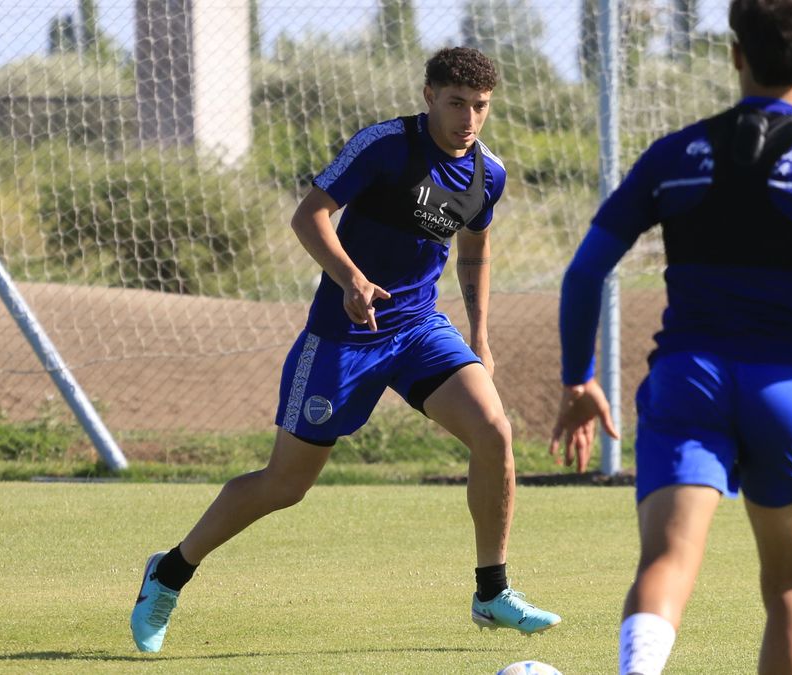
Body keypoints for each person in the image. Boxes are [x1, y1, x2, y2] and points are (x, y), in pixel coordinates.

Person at [130, 46, 560, 653]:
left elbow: (475, 249)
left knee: (494, 432)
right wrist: (352, 280)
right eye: (456, 103)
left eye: (481, 107)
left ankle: (492, 592)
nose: (469, 119)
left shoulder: (489, 173)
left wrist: (481, 337)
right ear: (429, 97)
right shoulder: (385, 146)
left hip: (418, 328)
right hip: (343, 334)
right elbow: (311, 216)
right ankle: (169, 571)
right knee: (285, 485)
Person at [550, 1, 792, 673]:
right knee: (789, 586)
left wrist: (579, 376)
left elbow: (585, 270)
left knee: (666, 560)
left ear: (735, 55)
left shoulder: (672, 154)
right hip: (788, 385)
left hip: (688, 378)